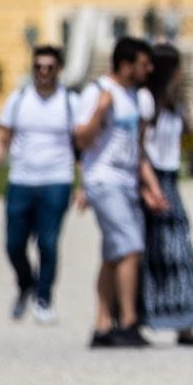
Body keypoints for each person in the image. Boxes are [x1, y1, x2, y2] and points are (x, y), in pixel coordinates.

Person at [74, 36, 168, 349]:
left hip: (127, 182)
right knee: (130, 247)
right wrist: (100, 112)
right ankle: (128, 321)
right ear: (125, 65)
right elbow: (81, 140)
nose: (149, 69)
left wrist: (151, 187)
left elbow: (137, 149)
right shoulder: (97, 92)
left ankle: (102, 325)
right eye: (144, 64)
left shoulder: (136, 97)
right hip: (103, 179)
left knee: (113, 254)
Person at [0, 44, 77, 322]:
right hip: (21, 180)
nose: (43, 72)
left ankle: (43, 298)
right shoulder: (18, 99)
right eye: (38, 67)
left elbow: (81, 145)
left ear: (59, 69)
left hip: (57, 180)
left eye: (49, 67)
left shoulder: (70, 102)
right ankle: (26, 283)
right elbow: (0, 141)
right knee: (13, 244)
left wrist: (84, 185)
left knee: (48, 242)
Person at [141, 43, 193, 347]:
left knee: (181, 251)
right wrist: (149, 188)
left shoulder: (172, 103)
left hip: (169, 178)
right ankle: (148, 316)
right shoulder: (147, 102)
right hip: (152, 179)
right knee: (156, 252)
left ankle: (185, 320)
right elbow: (139, 147)